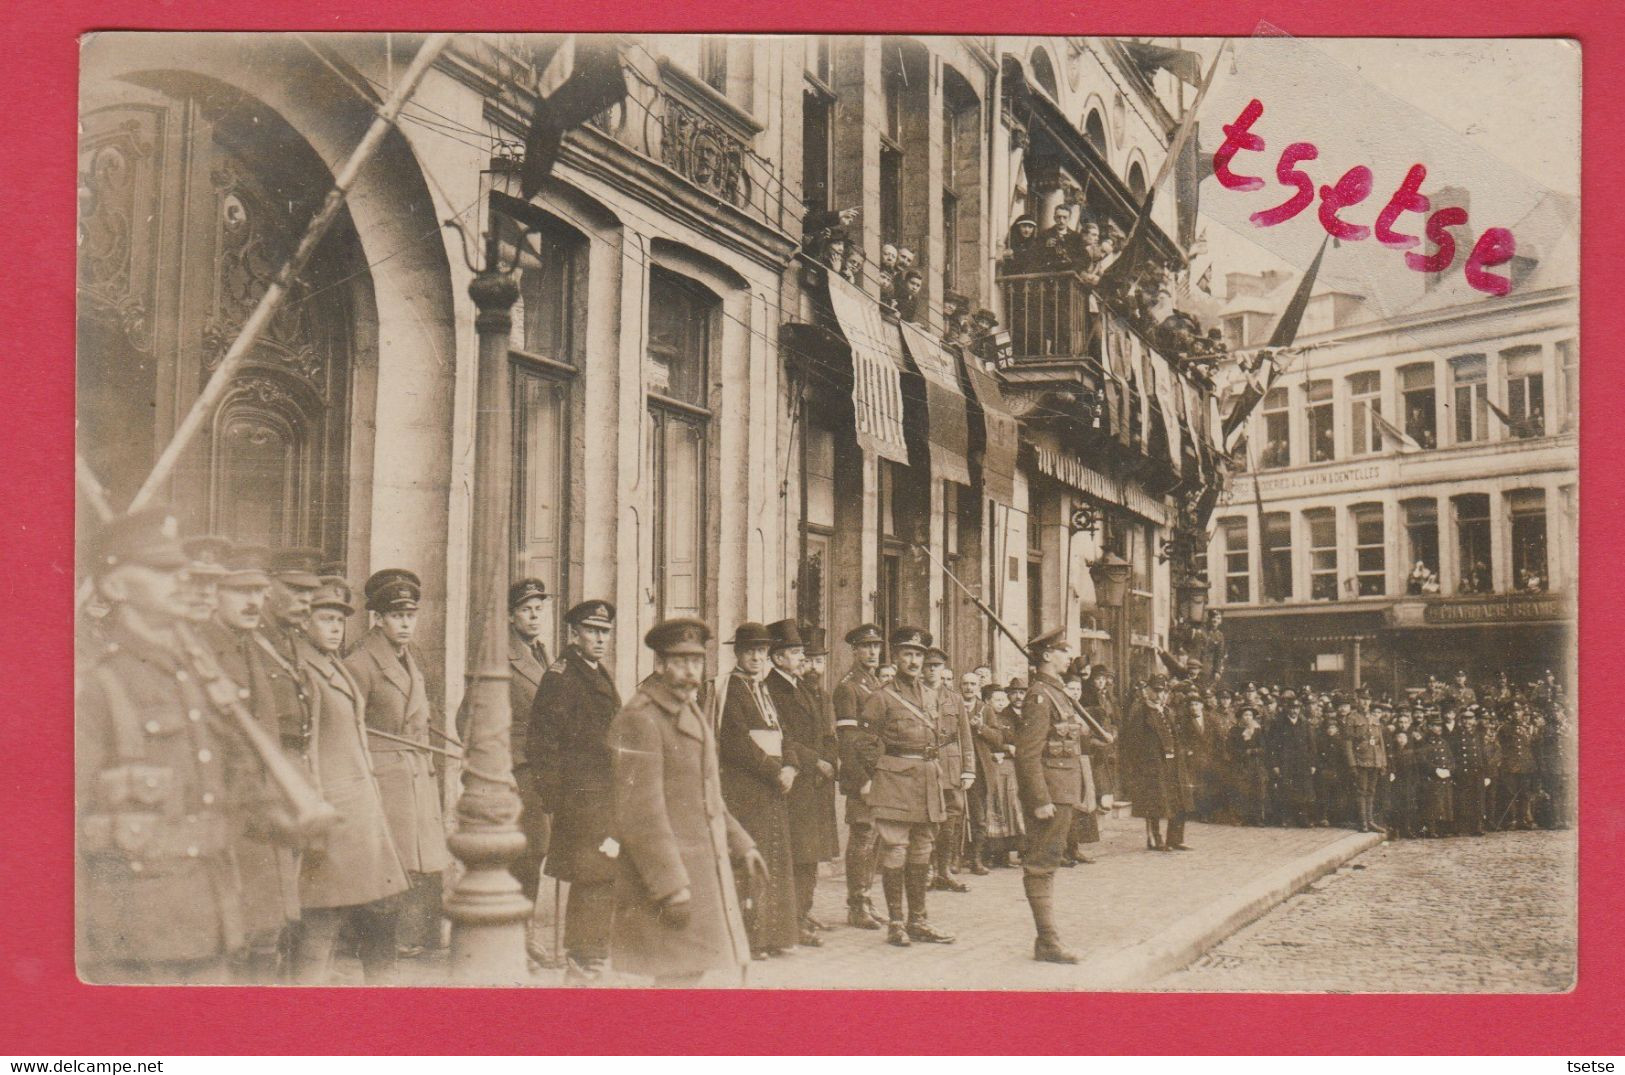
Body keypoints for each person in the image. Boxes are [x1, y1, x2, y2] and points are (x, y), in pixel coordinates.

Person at [77, 508, 256, 984]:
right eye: (161, 570)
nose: (181, 579)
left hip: (209, 920)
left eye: (180, 567)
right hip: (131, 937)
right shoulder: (95, 684)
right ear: (115, 587)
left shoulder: (195, 675)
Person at [608, 618, 769, 987]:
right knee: (675, 977)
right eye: (679, 662)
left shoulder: (689, 711)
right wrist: (670, 885)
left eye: (696, 662)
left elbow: (708, 794)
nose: (689, 671)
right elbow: (639, 814)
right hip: (668, 875)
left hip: (700, 871)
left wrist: (742, 843)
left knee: (688, 974)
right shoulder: (640, 719)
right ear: (661, 665)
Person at [292, 576, 410, 983]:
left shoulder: (333, 665)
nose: (335, 628)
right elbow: (307, 750)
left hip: (360, 812)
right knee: (322, 914)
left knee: (375, 904)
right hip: (334, 812)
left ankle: (378, 992)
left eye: (340, 621)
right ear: (305, 622)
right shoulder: (303, 669)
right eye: (325, 619)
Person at [199, 541, 303, 982]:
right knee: (235, 943)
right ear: (217, 594)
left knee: (266, 933)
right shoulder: (204, 652)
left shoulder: (251, 648)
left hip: (261, 817)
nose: (253, 601)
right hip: (228, 818)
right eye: (240, 591)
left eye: (259, 591)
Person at [346, 568, 451, 958]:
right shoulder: (361, 662)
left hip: (412, 775)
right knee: (383, 871)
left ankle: (392, 949)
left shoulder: (410, 659)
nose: (406, 623)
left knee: (408, 870)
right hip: (382, 778)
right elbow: (349, 729)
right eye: (396, 616)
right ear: (378, 618)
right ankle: (375, 955)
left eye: (411, 615)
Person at [528, 599, 622, 982]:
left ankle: (591, 951)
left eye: (604, 632)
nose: (599, 639)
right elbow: (542, 741)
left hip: (603, 792)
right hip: (580, 795)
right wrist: (553, 797)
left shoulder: (596, 672)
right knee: (592, 875)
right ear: (574, 634)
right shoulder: (562, 676)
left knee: (601, 873)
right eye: (592, 631)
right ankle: (583, 956)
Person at [856, 627, 954, 947]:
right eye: (907, 655)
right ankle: (896, 923)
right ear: (896, 658)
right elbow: (866, 743)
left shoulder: (931, 694)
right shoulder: (882, 696)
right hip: (897, 780)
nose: (913, 661)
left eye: (918, 655)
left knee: (923, 845)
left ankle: (918, 921)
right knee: (895, 848)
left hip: (927, 778)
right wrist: (885, 773)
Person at [1013, 627, 1100, 963]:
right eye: (1064, 650)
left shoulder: (1058, 693)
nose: (1069, 656)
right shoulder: (1039, 696)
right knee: (1041, 865)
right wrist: (1039, 799)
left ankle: (1046, 940)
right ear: (1048, 655)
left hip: (1063, 791)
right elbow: (1027, 753)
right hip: (1050, 794)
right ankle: (1048, 942)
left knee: (1048, 864)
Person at [717, 622, 800, 958]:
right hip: (746, 787)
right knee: (749, 860)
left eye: (762, 651)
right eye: (750, 650)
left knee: (775, 858)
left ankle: (774, 936)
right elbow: (735, 742)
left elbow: (785, 734)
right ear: (738, 653)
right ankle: (751, 939)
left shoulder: (763, 688)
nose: (756, 657)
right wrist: (774, 770)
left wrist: (792, 766)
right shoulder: (730, 689)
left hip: (773, 786)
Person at [762, 619, 839, 946]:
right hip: (798, 781)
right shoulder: (773, 690)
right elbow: (785, 737)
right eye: (795, 653)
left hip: (814, 783)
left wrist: (830, 760)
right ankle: (792, 920)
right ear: (778, 658)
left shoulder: (798, 686)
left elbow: (823, 731)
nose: (801, 658)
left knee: (810, 852)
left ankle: (803, 913)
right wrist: (815, 762)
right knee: (797, 853)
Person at [833, 622, 886, 929]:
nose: (872, 651)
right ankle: (856, 905)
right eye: (866, 646)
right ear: (854, 650)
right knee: (862, 837)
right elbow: (848, 739)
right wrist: (862, 779)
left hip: (879, 771)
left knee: (875, 837)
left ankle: (867, 899)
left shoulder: (875, 683)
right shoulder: (848, 687)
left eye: (876, 646)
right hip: (862, 774)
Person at [506, 577, 552, 901]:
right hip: (518, 766)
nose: (534, 616)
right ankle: (517, 929)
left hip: (543, 764)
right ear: (511, 616)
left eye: (539, 609)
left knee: (537, 847)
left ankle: (525, 927)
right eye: (526, 610)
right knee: (528, 847)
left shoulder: (542, 654)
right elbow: (467, 716)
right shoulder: (501, 658)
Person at [924, 647, 976, 892]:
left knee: (952, 817)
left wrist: (968, 769)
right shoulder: (915, 694)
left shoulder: (954, 698)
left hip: (951, 765)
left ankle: (944, 870)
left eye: (937, 665)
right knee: (926, 818)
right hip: (925, 763)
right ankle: (927, 870)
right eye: (928, 665)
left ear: (943, 669)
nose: (932, 669)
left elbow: (965, 735)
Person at [1126, 675, 1194, 850]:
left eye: (1163, 691)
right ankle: (1155, 839)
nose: (1160, 695)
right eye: (1156, 691)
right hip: (1152, 765)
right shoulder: (1141, 712)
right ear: (1148, 691)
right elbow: (1132, 743)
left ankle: (1175, 839)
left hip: (1172, 762)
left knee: (1178, 798)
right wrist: (1141, 766)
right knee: (1154, 803)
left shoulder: (1167, 712)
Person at [974, 685, 1026, 867]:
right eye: (997, 700)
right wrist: (1002, 750)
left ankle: (1005, 853)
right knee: (992, 808)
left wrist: (1006, 750)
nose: (1002, 703)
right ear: (987, 701)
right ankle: (990, 853)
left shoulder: (1007, 719)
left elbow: (1014, 742)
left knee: (1008, 807)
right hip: (990, 766)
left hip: (1007, 769)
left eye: (1003, 699)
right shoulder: (982, 717)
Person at [958, 672, 991, 876]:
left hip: (978, 769)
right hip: (956, 766)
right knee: (957, 814)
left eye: (973, 684)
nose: (969, 687)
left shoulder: (985, 709)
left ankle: (976, 859)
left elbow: (998, 736)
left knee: (978, 816)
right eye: (965, 684)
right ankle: (954, 858)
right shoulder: (953, 705)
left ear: (978, 687)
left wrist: (981, 727)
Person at [1268, 694, 1317, 827]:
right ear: (1287, 708)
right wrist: (1275, 765)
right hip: (1285, 763)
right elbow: (1272, 746)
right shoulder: (1278, 724)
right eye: (1291, 708)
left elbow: (1311, 745)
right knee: (1286, 791)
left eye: (1296, 708)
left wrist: (1312, 763)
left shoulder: (1305, 723)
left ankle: (1303, 819)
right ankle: (1286, 818)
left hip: (1302, 763)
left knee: (1303, 791)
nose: (1294, 711)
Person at [1343, 693, 1389, 833]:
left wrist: (1383, 762)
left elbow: (1380, 742)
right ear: (1357, 701)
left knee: (1371, 791)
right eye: (1363, 700)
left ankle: (1370, 821)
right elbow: (1348, 742)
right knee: (1361, 791)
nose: (1365, 703)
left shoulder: (1374, 718)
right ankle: (1363, 822)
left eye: (1367, 700)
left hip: (1374, 760)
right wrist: (1352, 763)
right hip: (1360, 760)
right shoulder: (1352, 718)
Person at [1453, 706, 1491, 836]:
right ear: (1461, 720)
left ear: (1474, 720)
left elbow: (1483, 755)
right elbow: (1453, 755)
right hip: (1463, 772)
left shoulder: (1478, 735)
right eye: (1464, 719)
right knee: (1463, 800)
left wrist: (1487, 774)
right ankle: (1463, 827)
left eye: (1470, 719)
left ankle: (1478, 826)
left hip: (1477, 772)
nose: (1467, 722)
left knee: (1478, 799)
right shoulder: (1456, 734)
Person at [1419, 712, 1457, 837]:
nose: (1439, 728)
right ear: (1429, 727)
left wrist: (1449, 770)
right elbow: (1422, 760)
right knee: (1433, 804)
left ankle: (1442, 829)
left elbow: (1451, 759)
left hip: (1444, 777)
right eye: (1436, 725)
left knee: (1444, 804)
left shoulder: (1443, 742)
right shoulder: (1424, 742)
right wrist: (1435, 770)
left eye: (1440, 725)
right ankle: (1431, 829)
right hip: (1432, 778)